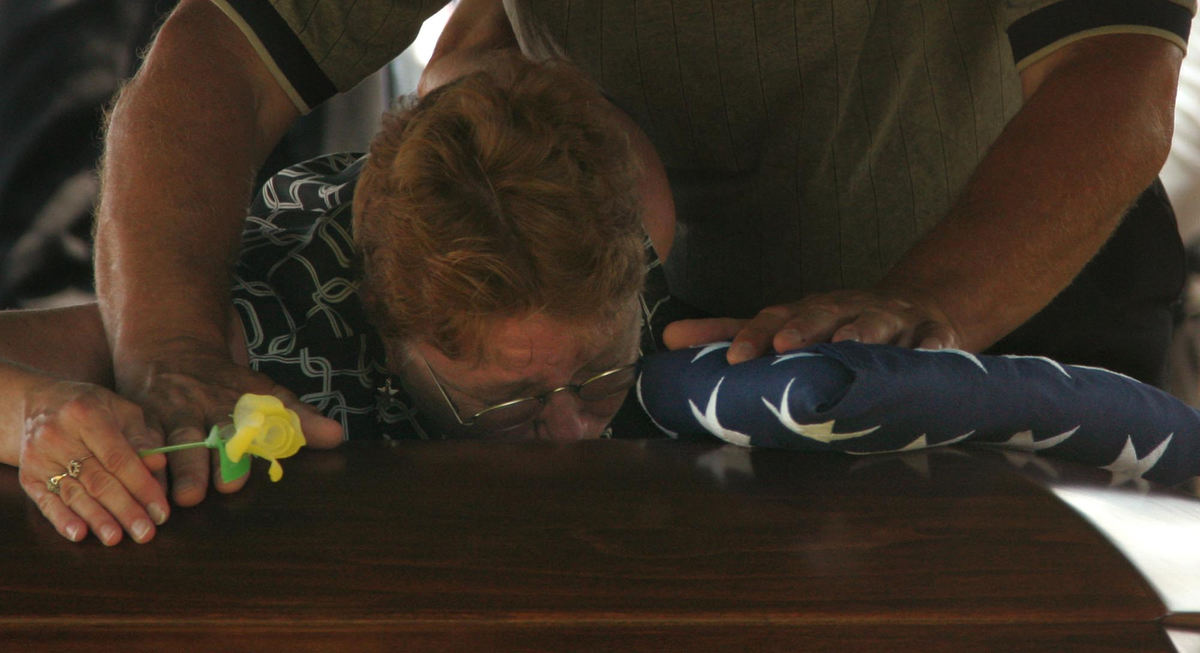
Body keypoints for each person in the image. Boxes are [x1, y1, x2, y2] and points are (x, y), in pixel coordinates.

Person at [93, 0, 1193, 506]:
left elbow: (1117, 76)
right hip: (657, 337)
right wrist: (173, 340)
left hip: (1018, 289)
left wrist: (931, 307)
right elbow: (222, 51)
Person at [1, 54, 676, 545]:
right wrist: (30, 413)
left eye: (598, 378)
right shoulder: (272, 326)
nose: (572, 433)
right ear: (388, 330)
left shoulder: (636, 215)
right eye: (512, 404)